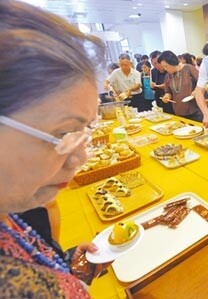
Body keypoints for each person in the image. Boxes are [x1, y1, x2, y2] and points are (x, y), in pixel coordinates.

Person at [0, 0, 106, 297]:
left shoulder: (11, 212)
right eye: (63, 134)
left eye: (85, 130)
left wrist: (67, 264)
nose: (80, 157)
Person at [158, 51, 203, 122]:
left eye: (166, 66)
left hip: (195, 111)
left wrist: (196, 91)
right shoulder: (168, 76)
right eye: (164, 67)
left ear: (172, 62)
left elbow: (202, 83)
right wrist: (167, 96)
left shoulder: (189, 68)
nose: (165, 69)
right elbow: (168, 91)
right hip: (179, 112)